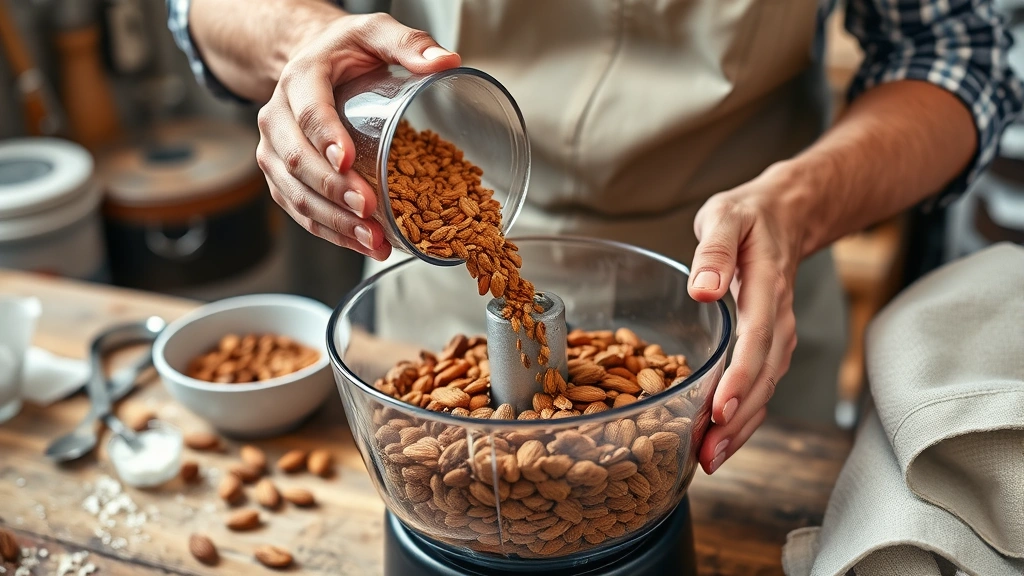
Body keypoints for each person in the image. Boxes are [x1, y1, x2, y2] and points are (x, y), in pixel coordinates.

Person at [168, 0, 1022, 475]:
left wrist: (800, 203)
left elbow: (961, 53)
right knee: (460, 486)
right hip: (437, 280)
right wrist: (299, 40)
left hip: (731, 281)